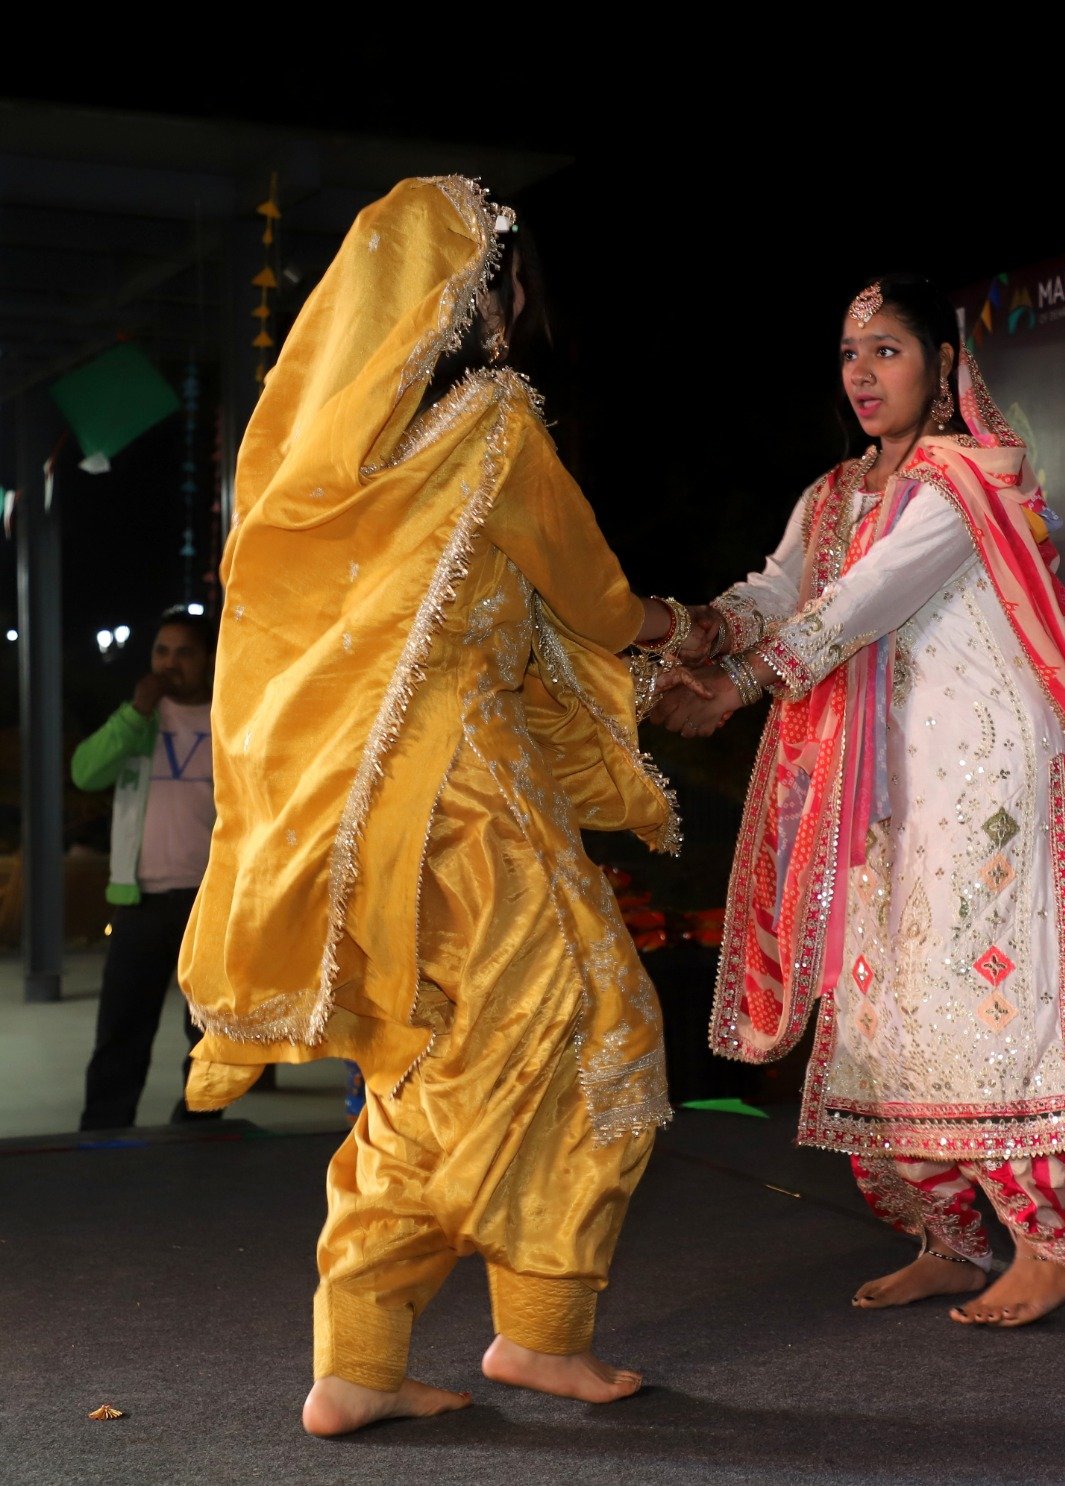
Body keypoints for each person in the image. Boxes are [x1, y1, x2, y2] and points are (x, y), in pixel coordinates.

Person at [176, 176, 712, 1436]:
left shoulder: (335, 466)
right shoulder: (493, 427)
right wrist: (689, 628)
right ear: (482, 300)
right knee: (600, 1028)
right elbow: (591, 598)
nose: (522, 309)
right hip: (474, 810)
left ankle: (364, 1358)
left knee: (428, 1062)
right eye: (513, 285)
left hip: (371, 831)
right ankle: (533, 1332)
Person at [652, 275, 1065, 1328]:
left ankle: (1047, 1246)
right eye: (849, 355)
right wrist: (683, 628)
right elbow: (777, 591)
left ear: (942, 368)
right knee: (882, 1005)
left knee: (981, 1002)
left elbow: (859, 604)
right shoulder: (832, 494)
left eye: (887, 351)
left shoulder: (966, 482)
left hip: (989, 786)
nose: (862, 374)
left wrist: (740, 685)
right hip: (879, 788)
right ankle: (948, 1238)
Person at [76, 605, 219, 1131]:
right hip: (142, 903)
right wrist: (135, 712)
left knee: (211, 1036)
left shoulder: (230, 720)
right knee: (121, 1030)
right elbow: (86, 773)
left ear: (209, 660)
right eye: (161, 651)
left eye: (184, 653)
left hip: (210, 904)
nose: (169, 663)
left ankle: (200, 1129)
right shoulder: (138, 719)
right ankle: (103, 1134)